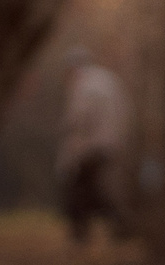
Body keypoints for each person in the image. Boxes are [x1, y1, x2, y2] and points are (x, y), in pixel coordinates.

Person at [55, 47, 130, 244]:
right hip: (110, 144)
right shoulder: (109, 80)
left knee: (82, 190)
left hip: (90, 147)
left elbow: (79, 119)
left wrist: (70, 141)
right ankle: (118, 228)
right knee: (96, 188)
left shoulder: (84, 85)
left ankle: (85, 233)